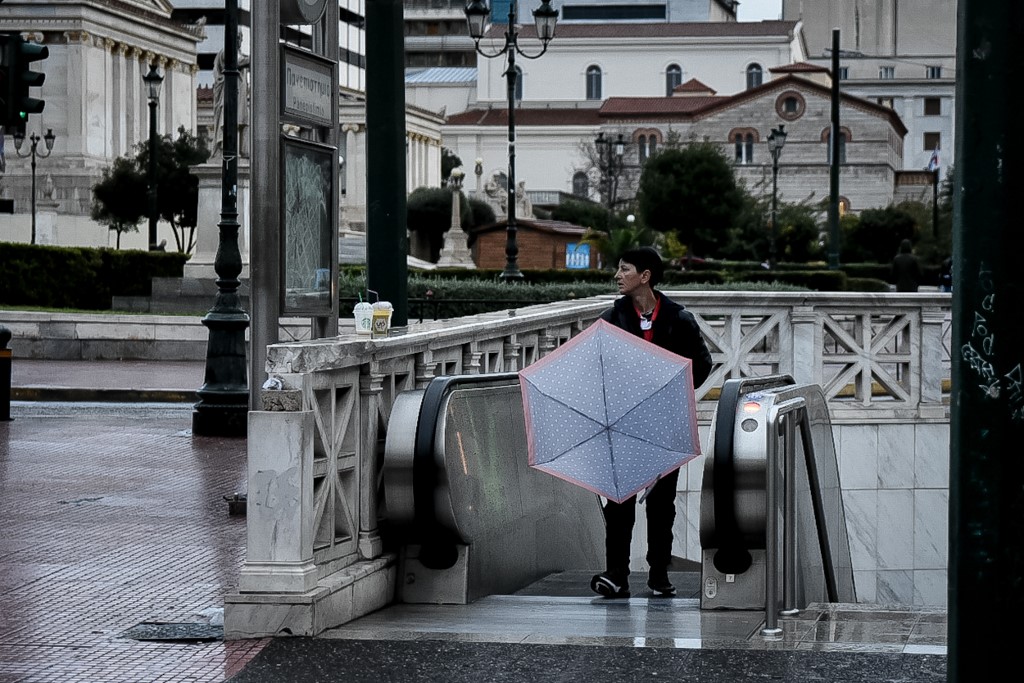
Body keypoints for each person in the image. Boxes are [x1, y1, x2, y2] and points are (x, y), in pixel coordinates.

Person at [590, 247, 713, 599]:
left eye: (624, 269)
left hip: (664, 422)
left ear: (645, 276)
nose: (617, 275)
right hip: (624, 422)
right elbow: (598, 365)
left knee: (662, 503)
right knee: (618, 500)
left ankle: (659, 573)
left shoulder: (678, 318)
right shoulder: (611, 318)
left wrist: (668, 386)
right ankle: (617, 574)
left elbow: (701, 366)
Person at [212, 31, 251, 159]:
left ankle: (243, 150)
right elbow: (237, 62)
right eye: (238, 38)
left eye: (241, 38)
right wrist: (256, 56)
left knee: (243, 121)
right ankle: (229, 148)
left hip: (240, 95)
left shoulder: (240, 54)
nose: (240, 41)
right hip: (229, 94)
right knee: (231, 120)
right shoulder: (226, 52)